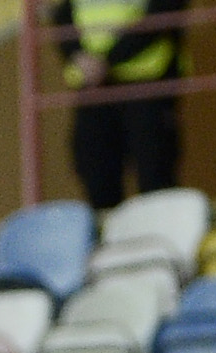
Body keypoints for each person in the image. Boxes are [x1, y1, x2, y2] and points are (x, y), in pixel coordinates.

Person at [49, 0, 183, 210]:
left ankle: (163, 234)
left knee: (155, 174)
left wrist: (107, 60)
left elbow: (166, 10)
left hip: (146, 81)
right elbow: (61, 14)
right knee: (95, 172)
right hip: (92, 88)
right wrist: (78, 55)